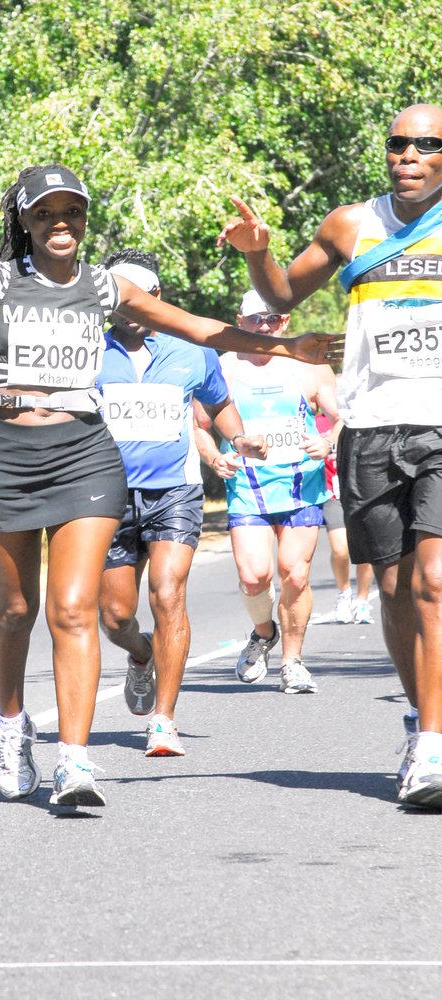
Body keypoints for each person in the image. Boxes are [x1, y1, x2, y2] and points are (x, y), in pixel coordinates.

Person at [0, 164, 338, 810]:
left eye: (72, 212)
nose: (61, 223)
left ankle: (73, 762)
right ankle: (11, 727)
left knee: (74, 609)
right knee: (14, 610)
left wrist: (287, 348)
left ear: (84, 220)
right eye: (45, 213)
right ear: (25, 221)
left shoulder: (106, 287)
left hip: (83, 454)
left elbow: (199, 328)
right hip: (5, 453)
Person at [216, 103, 442, 807]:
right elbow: (283, 292)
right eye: (398, 144)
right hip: (370, 426)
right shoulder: (351, 223)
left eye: (426, 145)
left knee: (435, 582)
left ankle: (434, 747)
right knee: (395, 588)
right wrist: (257, 251)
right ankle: (421, 722)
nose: (408, 156)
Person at [96, 249, 267, 758]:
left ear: (156, 296)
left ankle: (164, 721)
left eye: (136, 295)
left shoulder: (193, 349)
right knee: (114, 617)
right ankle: (141, 653)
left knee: (168, 594)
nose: (127, 305)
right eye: (117, 296)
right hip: (105, 495)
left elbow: (219, 404)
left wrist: (240, 439)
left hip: (175, 490)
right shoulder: (88, 349)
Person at [193, 290, 339, 695]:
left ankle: (293, 662)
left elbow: (341, 416)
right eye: (256, 319)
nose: (265, 326)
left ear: (285, 322)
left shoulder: (309, 365)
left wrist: (329, 442)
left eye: (273, 318)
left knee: (296, 573)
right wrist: (213, 458)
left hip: (301, 486)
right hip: (248, 488)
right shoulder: (223, 368)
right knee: (254, 575)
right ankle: (263, 632)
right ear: (240, 321)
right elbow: (199, 425)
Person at [315, 410, 375, 625]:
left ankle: (362, 600)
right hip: (332, 493)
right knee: (340, 548)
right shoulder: (316, 422)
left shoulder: (360, 418)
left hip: (360, 491)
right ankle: (344, 593)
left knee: (365, 550)